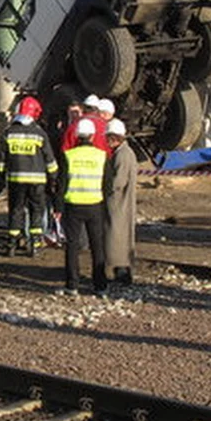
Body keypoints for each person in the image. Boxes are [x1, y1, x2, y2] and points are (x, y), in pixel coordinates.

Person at [1, 96, 59, 257]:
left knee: (16, 211)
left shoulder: (8, 132)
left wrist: (0, 177)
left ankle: (11, 244)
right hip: (37, 182)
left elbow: (1, 160)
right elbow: (50, 160)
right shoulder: (40, 134)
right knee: (36, 211)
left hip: (15, 180)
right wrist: (54, 177)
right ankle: (35, 245)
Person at [61, 118, 108, 296]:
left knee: (72, 246)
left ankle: (72, 285)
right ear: (93, 135)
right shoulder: (101, 155)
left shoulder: (69, 156)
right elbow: (107, 183)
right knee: (97, 246)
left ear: (76, 135)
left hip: (73, 205)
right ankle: (100, 285)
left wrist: (58, 207)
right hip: (95, 204)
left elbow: (62, 184)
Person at [103, 118, 138, 285]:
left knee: (117, 236)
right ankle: (121, 270)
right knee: (120, 236)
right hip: (123, 202)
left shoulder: (122, 155)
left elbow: (119, 181)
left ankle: (122, 271)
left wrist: (104, 188)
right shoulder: (125, 153)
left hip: (119, 203)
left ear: (114, 137)